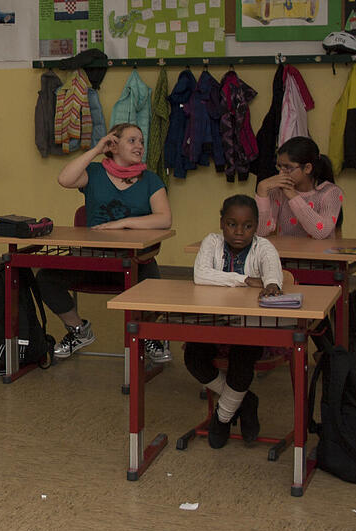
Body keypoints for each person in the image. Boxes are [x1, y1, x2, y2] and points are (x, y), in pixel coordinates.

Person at [44, 123, 173, 361]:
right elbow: (64, 179)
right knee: (46, 278)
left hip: (134, 261)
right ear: (113, 145)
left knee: (155, 289)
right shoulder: (93, 173)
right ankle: (78, 330)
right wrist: (96, 149)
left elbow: (164, 219)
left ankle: (150, 337)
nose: (139, 146)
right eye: (132, 141)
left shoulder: (150, 179)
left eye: (141, 141)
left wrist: (125, 223)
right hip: (92, 259)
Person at [187, 194, 283, 448]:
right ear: (221, 223)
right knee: (193, 358)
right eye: (232, 224)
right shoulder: (212, 242)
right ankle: (245, 400)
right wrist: (244, 280)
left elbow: (272, 272)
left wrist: (271, 283)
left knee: (241, 365)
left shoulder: (263, 247)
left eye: (248, 226)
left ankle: (222, 417)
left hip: (249, 326)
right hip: (213, 322)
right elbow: (201, 275)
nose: (239, 232)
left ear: (256, 226)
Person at [255, 136, 344, 239]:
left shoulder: (330, 192)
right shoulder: (278, 191)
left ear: (307, 168)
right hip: (288, 253)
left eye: (288, 167)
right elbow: (261, 232)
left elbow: (320, 232)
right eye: (279, 166)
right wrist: (261, 191)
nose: (281, 173)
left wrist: (293, 196)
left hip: (320, 254)